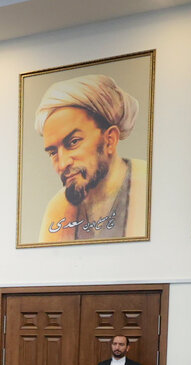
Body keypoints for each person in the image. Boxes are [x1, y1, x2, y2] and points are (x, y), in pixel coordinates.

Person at [33, 73, 147, 242]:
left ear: (110, 140)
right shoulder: (58, 208)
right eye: (53, 152)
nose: (62, 164)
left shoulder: (147, 186)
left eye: (73, 142)